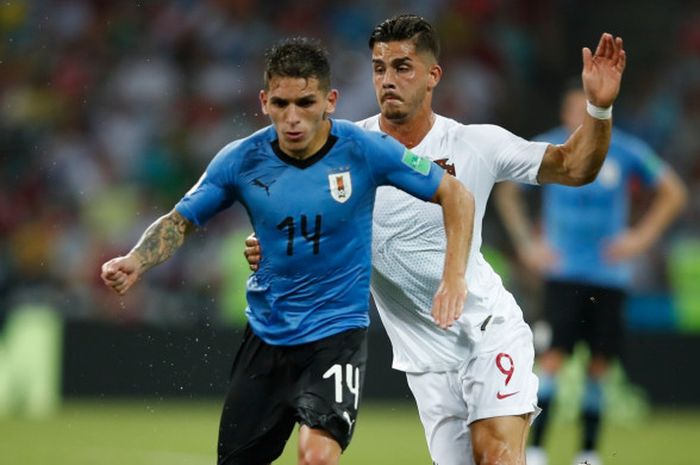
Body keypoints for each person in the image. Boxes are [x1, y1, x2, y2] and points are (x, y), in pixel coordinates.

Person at [244, 14, 626, 465]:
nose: (388, 79)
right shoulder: (344, 150)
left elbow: (575, 166)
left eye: (403, 67)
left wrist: (598, 110)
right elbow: (306, 225)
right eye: (380, 67)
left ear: (432, 76)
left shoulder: (475, 144)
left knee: (497, 456)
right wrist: (275, 244)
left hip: (488, 334)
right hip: (425, 363)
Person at [100, 37, 476, 465]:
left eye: (306, 102)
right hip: (267, 337)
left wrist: (454, 276)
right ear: (264, 101)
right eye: (281, 103)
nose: (292, 118)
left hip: (336, 336)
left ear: (330, 100)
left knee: (316, 456)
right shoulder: (240, 160)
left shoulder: (365, 150)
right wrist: (135, 260)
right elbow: (180, 221)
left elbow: (456, 195)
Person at [495, 84, 687, 465]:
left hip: (609, 276)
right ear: (564, 115)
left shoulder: (627, 150)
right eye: (572, 112)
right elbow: (507, 190)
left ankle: (588, 453)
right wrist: (528, 245)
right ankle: (536, 449)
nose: (577, 120)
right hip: (562, 274)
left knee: (600, 366)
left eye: (586, 112)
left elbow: (673, 191)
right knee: (551, 360)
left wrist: (640, 239)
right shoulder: (549, 147)